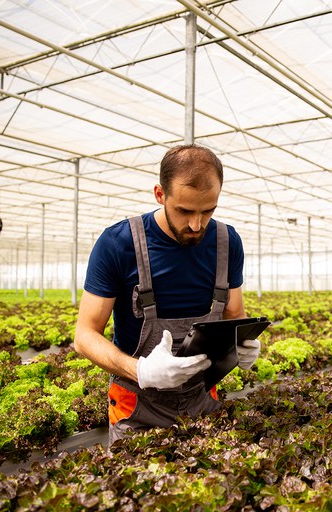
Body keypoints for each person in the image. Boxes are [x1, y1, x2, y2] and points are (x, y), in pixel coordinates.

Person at [73, 144, 260, 444]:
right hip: (137, 409)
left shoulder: (228, 242)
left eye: (208, 210)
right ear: (160, 194)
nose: (196, 224)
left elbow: (234, 314)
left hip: (203, 401)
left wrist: (242, 343)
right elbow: (84, 335)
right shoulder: (118, 244)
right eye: (185, 211)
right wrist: (141, 371)